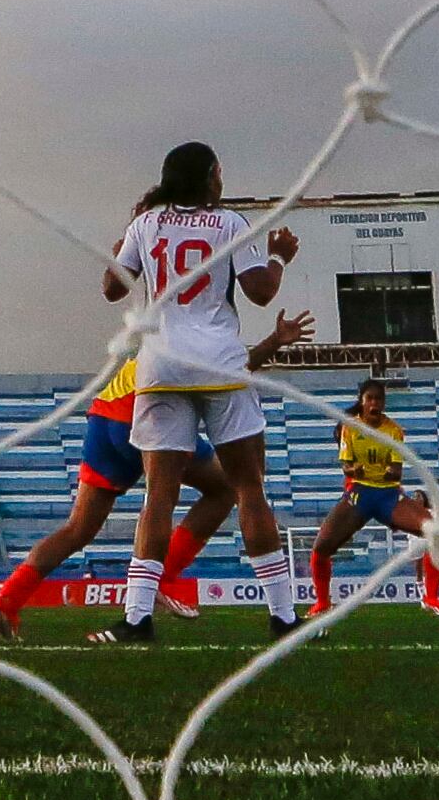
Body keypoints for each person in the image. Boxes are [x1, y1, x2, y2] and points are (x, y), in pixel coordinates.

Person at [0, 312, 311, 643]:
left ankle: (5, 600)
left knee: (78, 527)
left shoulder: (165, 337)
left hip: (105, 417)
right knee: (222, 489)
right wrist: (272, 342)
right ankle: (161, 580)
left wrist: (272, 343)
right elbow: (225, 374)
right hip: (144, 414)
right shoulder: (199, 338)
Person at [89, 142, 301, 645]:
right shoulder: (229, 223)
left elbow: (111, 289)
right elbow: (261, 292)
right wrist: (278, 256)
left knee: (158, 495)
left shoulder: (147, 224)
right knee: (248, 488)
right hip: (219, 365)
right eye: (219, 171)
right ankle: (283, 616)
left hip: (161, 365)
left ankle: (138, 617)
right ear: (208, 178)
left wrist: (131, 234)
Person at [305, 380, 439, 618]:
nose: (374, 403)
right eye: (370, 398)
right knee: (321, 547)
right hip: (359, 494)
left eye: (378, 399)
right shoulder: (350, 427)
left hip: (388, 495)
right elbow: (345, 464)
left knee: (435, 532)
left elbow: (396, 470)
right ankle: (322, 603)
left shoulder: (393, 430)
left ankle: (431, 598)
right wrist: (354, 471)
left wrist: (390, 472)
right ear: (361, 401)